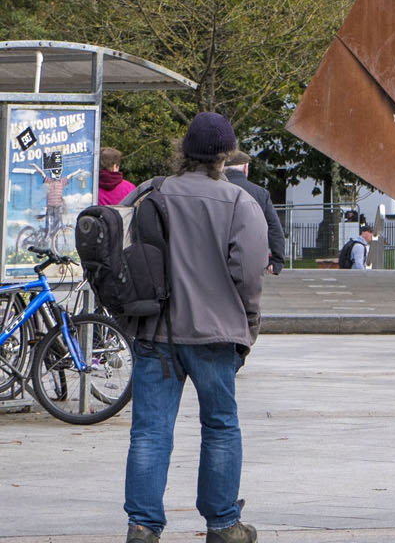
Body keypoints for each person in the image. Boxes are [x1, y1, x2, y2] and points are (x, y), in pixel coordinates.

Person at [122, 111, 266, 543]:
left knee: (150, 430)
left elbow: (129, 258)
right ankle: (223, 524)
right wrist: (249, 327)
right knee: (220, 425)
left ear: (184, 151)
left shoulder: (151, 194)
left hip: (155, 333)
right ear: (225, 156)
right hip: (215, 333)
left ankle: (143, 526)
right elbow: (250, 273)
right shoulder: (240, 203)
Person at [222, 151, 288, 275]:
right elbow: (274, 227)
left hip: (220, 257)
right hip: (251, 258)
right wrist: (277, 259)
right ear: (246, 168)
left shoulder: (215, 190)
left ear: (223, 169)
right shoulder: (260, 193)